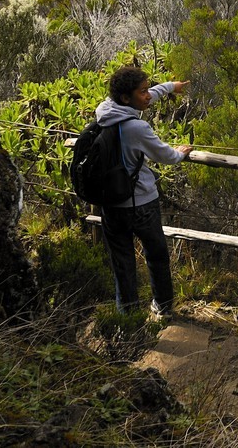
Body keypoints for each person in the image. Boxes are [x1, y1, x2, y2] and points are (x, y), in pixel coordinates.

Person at [93, 65, 192, 318]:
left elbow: (146, 96)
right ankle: (163, 307)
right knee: (157, 255)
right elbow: (165, 156)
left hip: (111, 205)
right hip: (141, 205)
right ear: (127, 98)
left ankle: (128, 318)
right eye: (143, 92)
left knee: (123, 264)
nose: (148, 96)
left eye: (148, 90)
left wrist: (171, 87)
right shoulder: (135, 128)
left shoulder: (105, 111)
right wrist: (179, 154)